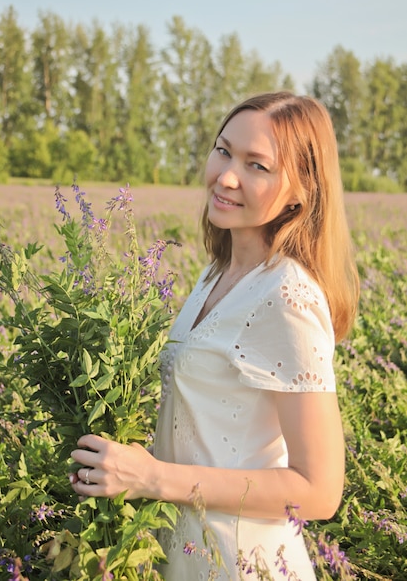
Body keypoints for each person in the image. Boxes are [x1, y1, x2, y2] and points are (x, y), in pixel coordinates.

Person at [70, 91, 360, 580]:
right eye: (223, 150)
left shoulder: (288, 297)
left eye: (257, 165)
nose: (226, 176)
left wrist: (151, 477)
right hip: (183, 548)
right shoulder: (217, 273)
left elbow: (319, 489)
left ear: (301, 191)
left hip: (240, 562)